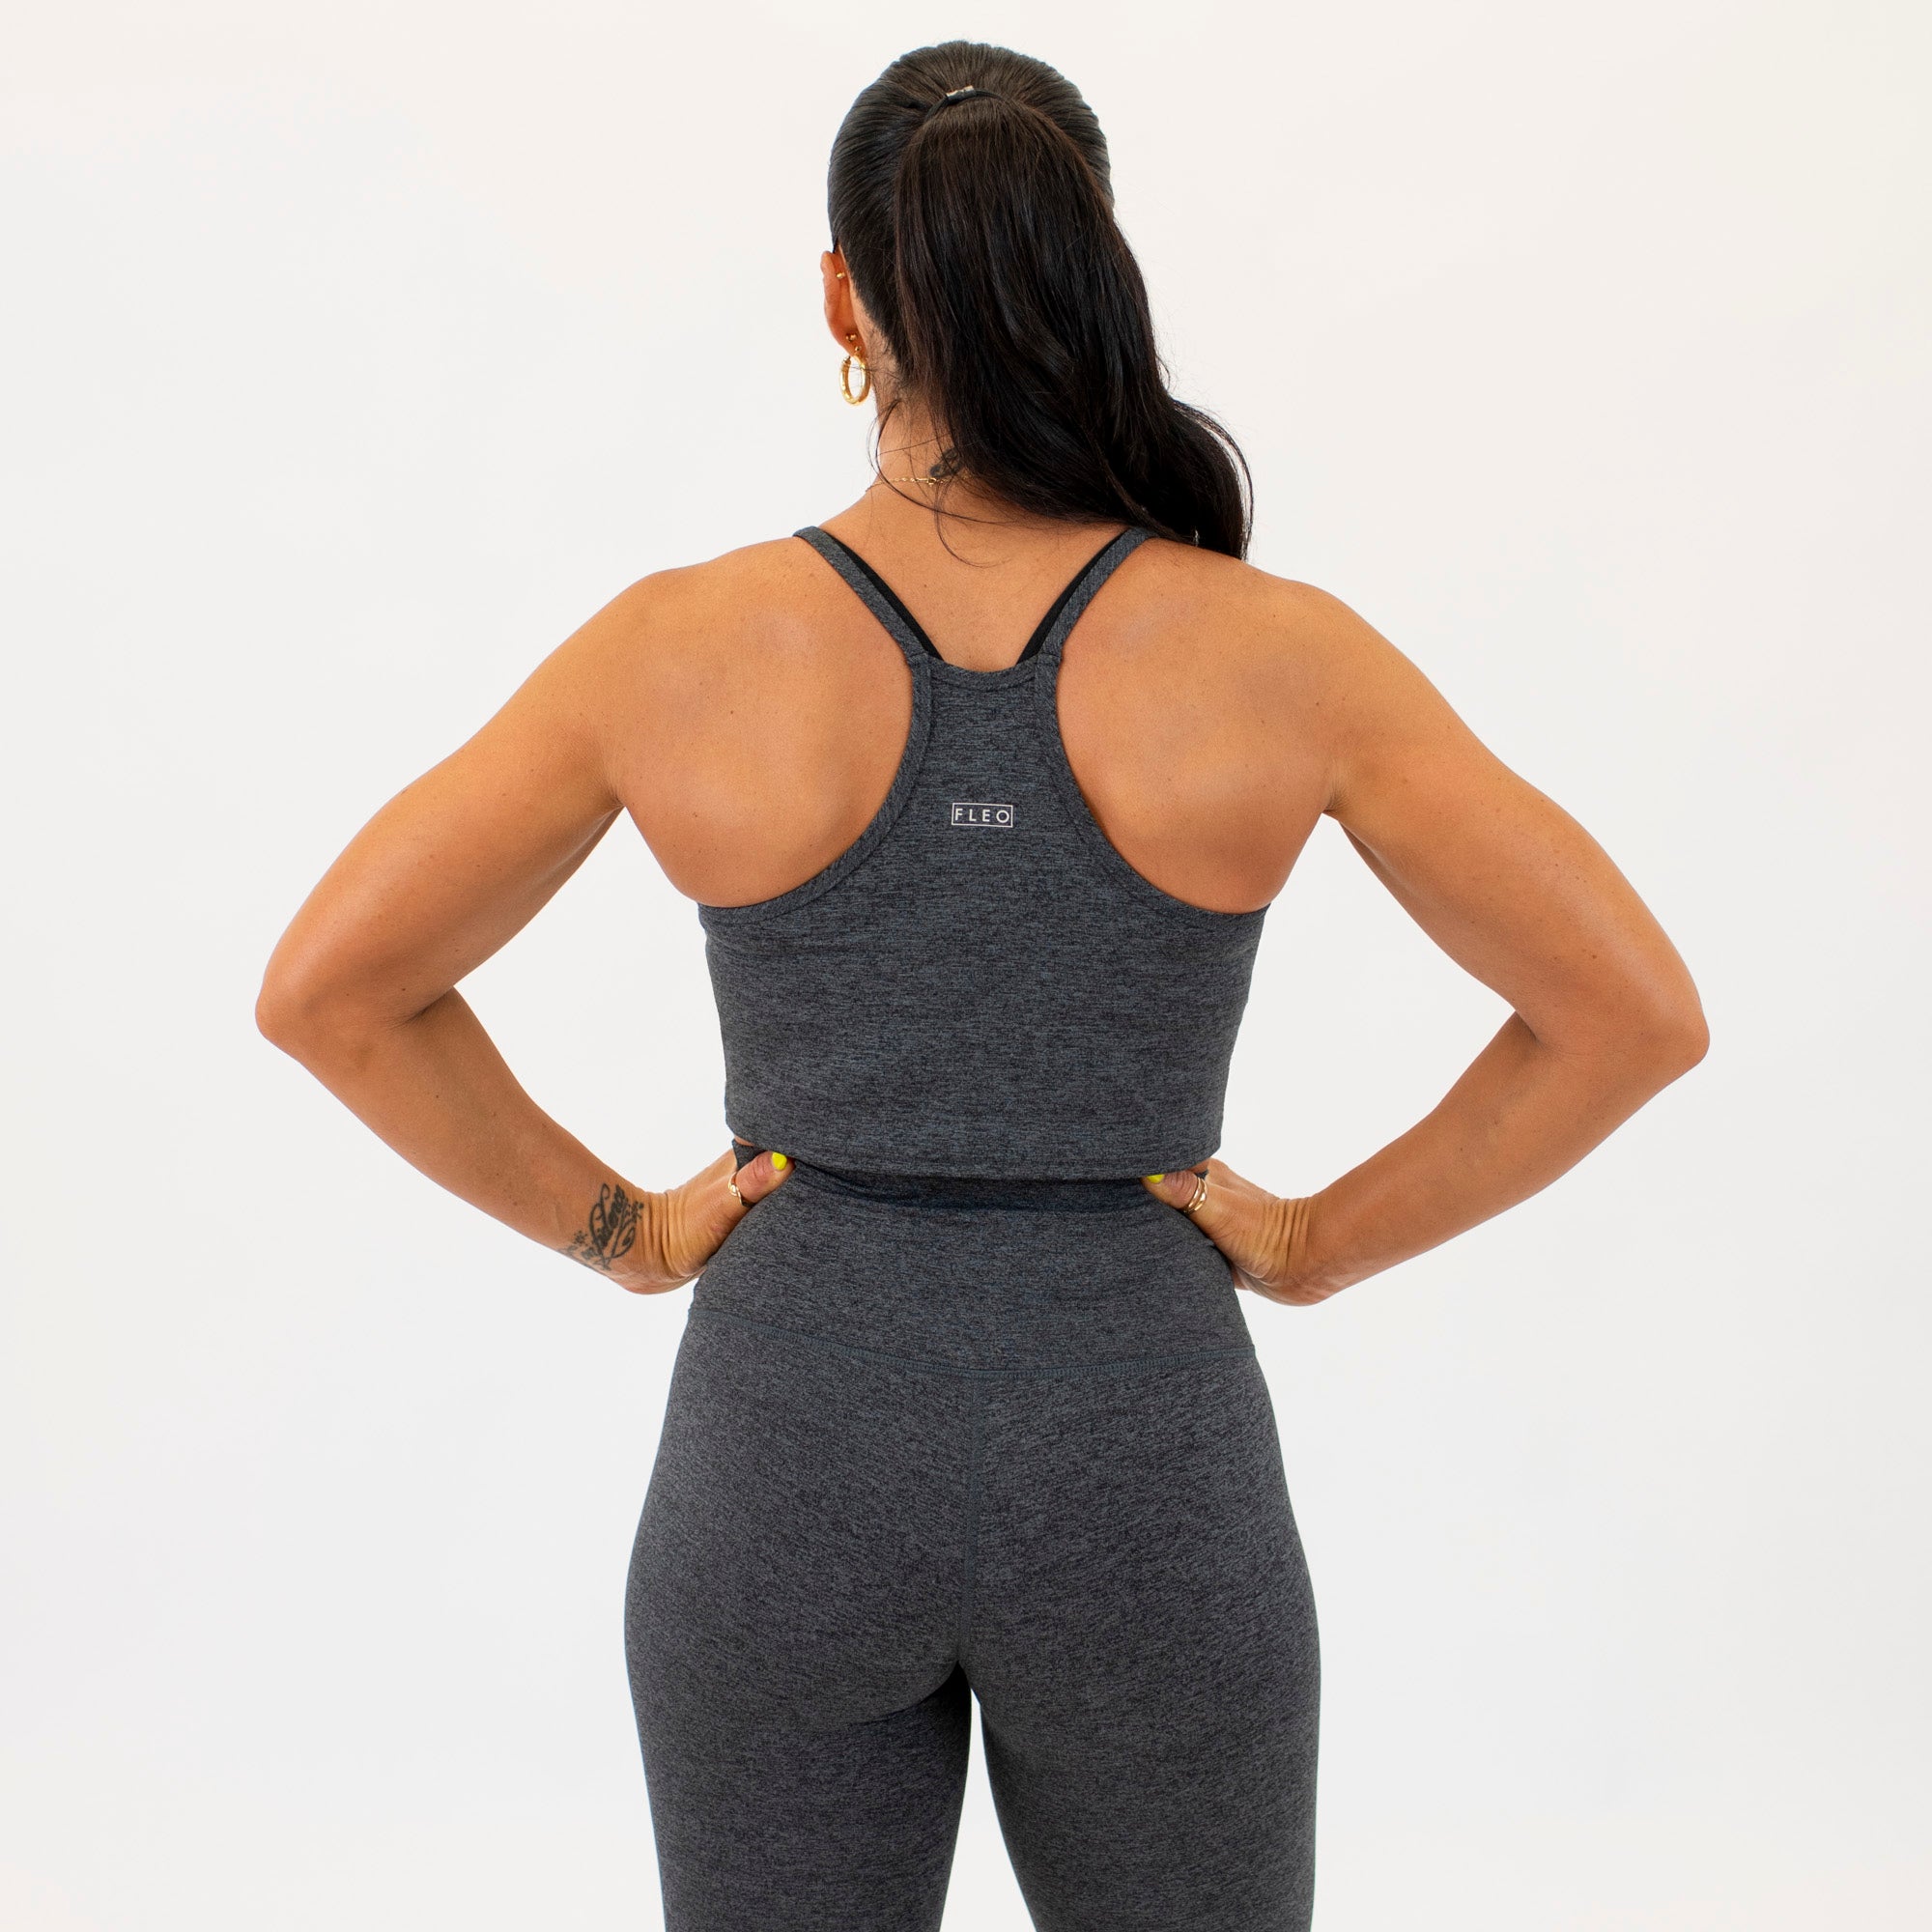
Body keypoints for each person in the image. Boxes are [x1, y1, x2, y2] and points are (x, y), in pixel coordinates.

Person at [256, 38, 1708, 1932]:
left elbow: (334, 991)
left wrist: (626, 1231)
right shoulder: (1278, 659)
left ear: (844, 299)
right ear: (1085, 262)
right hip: (1143, 1476)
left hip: (786, 1471)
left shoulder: (679, 650)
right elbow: (1630, 1014)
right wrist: (1311, 1244)